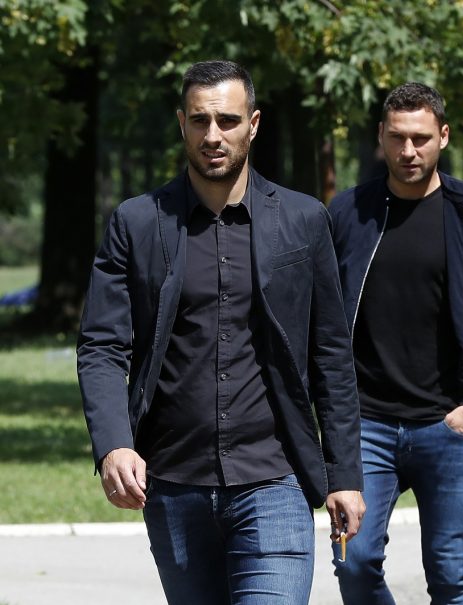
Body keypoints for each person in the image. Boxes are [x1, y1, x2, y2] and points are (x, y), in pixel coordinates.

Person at [77, 60, 365, 605]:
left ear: (252, 124)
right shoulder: (137, 223)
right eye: (200, 121)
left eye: (228, 121)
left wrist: (344, 473)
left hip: (274, 482)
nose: (213, 135)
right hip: (173, 485)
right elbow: (102, 347)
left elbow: (330, 354)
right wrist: (114, 444)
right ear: (181, 123)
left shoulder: (303, 220)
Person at [327, 82, 463, 604]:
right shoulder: (348, 212)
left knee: (450, 576)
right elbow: (320, 319)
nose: (409, 150)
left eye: (420, 138)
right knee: (354, 563)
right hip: (365, 426)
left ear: (443, 136)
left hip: (449, 424)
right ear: (381, 136)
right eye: (397, 137)